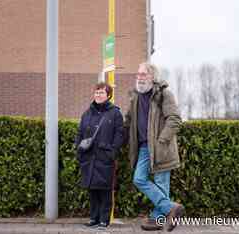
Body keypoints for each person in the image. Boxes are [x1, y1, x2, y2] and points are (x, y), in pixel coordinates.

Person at [124, 62, 185, 232]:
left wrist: (162, 140)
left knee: (161, 183)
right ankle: (170, 208)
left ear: (152, 76)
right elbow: (128, 121)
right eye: (138, 74)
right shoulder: (135, 97)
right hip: (143, 147)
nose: (139, 77)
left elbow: (174, 119)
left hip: (161, 147)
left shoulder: (164, 94)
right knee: (139, 178)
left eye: (143, 74)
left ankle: (157, 220)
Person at [75, 82, 123, 230]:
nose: (98, 95)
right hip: (89, 158)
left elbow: (120, 134)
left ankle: (104, 220)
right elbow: (80, 133)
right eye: (96, 92)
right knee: (92, 190)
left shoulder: (115, 113)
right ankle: (93, 219)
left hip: (105, 157)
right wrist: (79, 151)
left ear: (108, 95)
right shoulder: (87, 113)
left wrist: (112, 152)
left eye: (101, 92)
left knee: (105, 190)